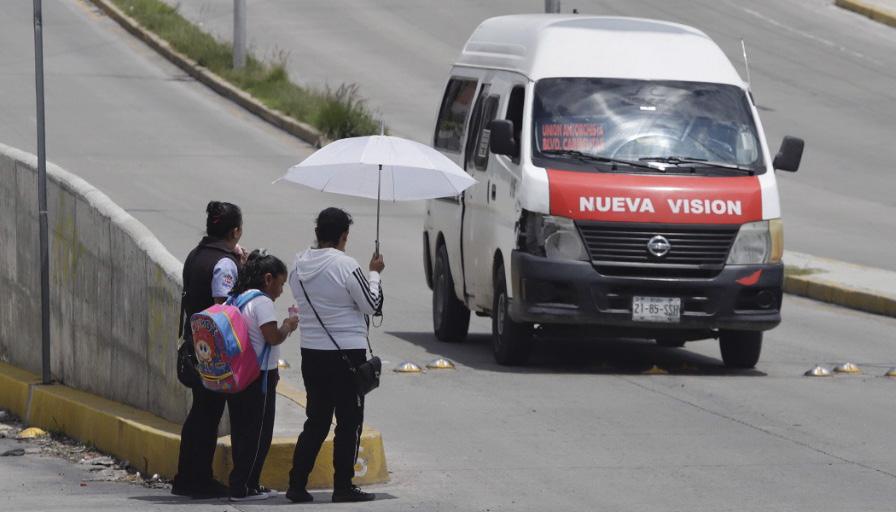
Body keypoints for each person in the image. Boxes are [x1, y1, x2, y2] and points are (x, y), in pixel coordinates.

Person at [285, 207, 384, 504]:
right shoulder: (346, 265)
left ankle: (296, 484)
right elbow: (371, 304)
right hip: (346, 353)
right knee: (349, 421)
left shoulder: (298, 265)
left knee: (316, 420)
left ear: (317, 233)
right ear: (344, 236)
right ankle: (343, 486)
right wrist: (375, 274)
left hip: (311, 352)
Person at [172, 201, 246, 498]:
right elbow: (223, 308)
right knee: (208, 414)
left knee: (200, 412)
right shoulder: (225, 263)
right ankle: (199, 479)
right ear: (235, 231)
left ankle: (186, 476)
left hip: (196, 345)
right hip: (213, 353)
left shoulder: (197, 254)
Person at [226, 250, 299, 501]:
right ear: (268, 279)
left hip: (238, 374)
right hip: (260, 375)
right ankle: (245, 486)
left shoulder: (238, 297)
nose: (281, 290)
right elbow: (273, 337)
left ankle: (243, 483)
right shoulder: (263, 302)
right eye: (280, 283)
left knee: (240, 431)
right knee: (258, 433)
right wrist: (288, 325)